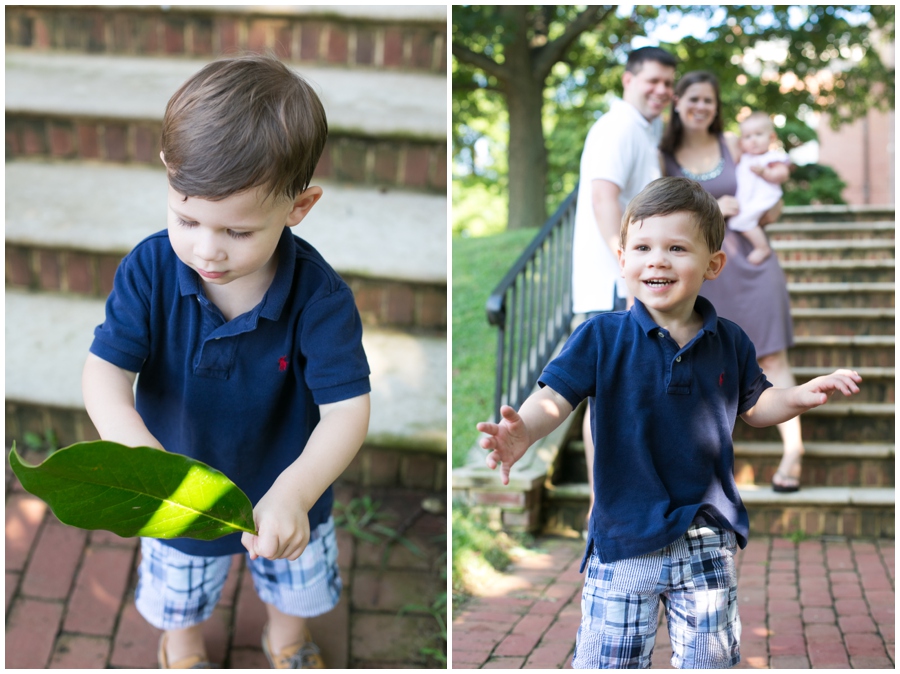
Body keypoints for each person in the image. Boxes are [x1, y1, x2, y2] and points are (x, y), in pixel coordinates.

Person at [477, 176, 862, 669]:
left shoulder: (731, 341)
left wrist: (800, 395)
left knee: (710, 662)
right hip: (623, 538)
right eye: (642, 247)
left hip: (706, 536)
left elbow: (757, 406)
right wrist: (523, 432)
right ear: (622, 260)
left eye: (677, 247)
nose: (656, 259)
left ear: (713, 264)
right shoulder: (600, 335)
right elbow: (554, 398)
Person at [82, 55, 371, 669]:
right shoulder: (151, 271)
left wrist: (295, 491)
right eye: (186, 219)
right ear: (167, 177)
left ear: (299, 206)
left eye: (238, 232)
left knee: (293, 584)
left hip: (287, 491)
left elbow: (347, 411)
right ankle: (183, 646)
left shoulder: (319, 297)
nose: (206, 249)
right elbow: (104, 374)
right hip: (180, 489)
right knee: (178, 597)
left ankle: (287, 641)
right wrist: (141, 457)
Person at [660, 71, 805, 493]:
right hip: (700, 275)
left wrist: (759, 211)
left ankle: (794, 451)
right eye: (693, 99)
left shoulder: (736, 145)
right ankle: (706, 466)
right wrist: (710, 206)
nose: (701, 107)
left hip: (750, 266)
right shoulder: (661, 155)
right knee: (706, 363)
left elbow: (769, 198)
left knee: (772, 358)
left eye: (709, 100)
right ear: (677, 102)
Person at [571, 45, 677, 519]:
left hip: (624, 282)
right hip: (614, 286)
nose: (662, 91)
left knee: (625, 395)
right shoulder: (617, 127)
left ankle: (617, 500)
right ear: (628, 79)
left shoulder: (642, 130)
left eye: (668, 84)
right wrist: (628, 271)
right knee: (607, 397)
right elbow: (602, 198)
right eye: (653, 80)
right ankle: (602, 505)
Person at [730, 111, 791, 265]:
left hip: (764, 197)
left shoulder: (771, 157)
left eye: (758, 134)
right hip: (748, 198)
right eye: (747, 137)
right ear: (741, 142)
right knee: (740, 220)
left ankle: (762, 247)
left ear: (771, 137)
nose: (753, 140)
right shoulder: (744, 158)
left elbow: (783, 174)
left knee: (741, 221)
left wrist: (766, 172)